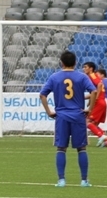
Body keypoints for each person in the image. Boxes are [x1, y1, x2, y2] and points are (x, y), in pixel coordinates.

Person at [40, 50, 97, 187]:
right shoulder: (82, 77)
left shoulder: (55, 77)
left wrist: (49, 111)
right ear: (75, 63)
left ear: (61, 62)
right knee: (81, 148)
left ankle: (61, 180)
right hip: (78, 116)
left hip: (62, 117)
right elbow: (94, 91)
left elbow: (42, 95)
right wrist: (90, 109)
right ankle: (84, 181)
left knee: (61, 148)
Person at [82, 61, 107, 146]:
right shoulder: (92, 76)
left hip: (99, 102)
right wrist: (89, 99)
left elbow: (99, 85)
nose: (84, 69)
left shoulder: (92, 75)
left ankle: (101, 136)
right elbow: (94, 91)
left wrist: (95, 99)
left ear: (91, 69)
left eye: (85, 67)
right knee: (94, 124)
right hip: (102, 102)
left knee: (87, 122)